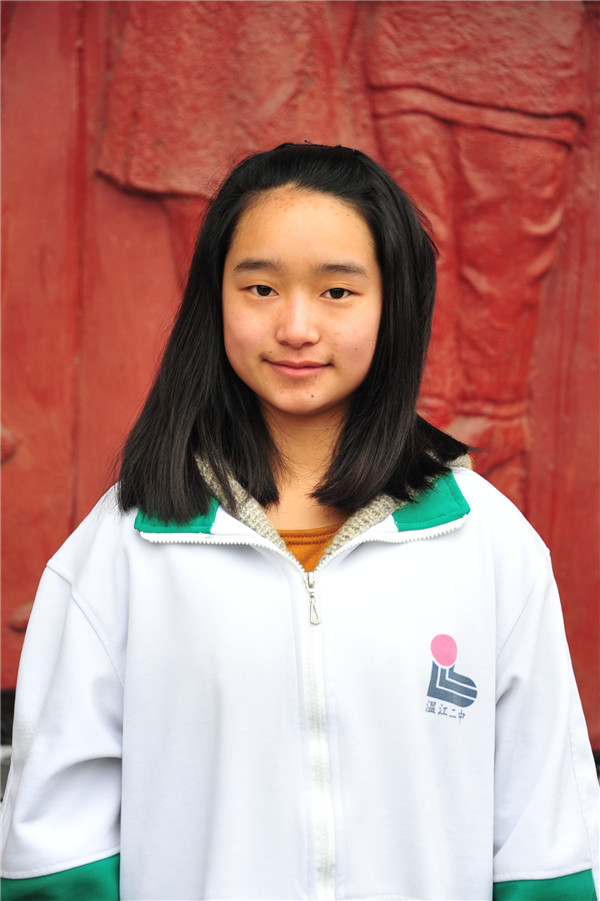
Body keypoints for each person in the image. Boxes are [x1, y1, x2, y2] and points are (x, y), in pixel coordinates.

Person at [1, 144, 598, 901]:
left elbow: (546, 842)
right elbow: (57, 851)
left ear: (395, 303)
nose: (296, 325)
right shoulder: (124, 547)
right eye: (260, 287)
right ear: (214, 299)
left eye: (337, 291)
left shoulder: (486, 544)